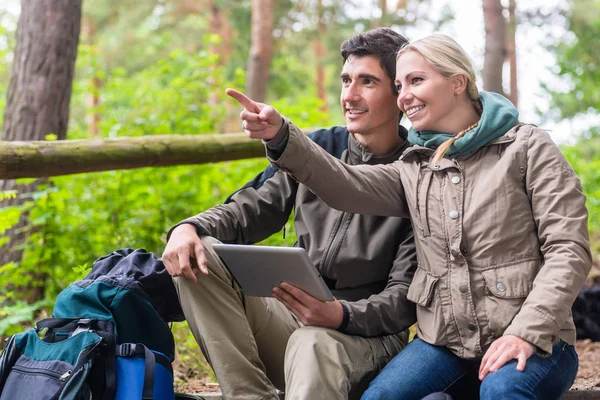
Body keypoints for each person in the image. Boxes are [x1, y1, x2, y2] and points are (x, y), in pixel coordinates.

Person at [230, 33, 591, 400]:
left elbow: (569, 250)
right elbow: (346, 184)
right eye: (400, 85)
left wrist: (525, 332)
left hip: (536, 337)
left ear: (457, 82)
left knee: (501, 393)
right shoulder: (415, 166)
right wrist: (281, 137)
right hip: (445, 345)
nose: (403, 96)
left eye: (416, 80)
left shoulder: (528, 147)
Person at [162, 27, 418, 400]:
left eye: (368, 82)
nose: (350, 95)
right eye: (346, 80)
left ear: (399, 93)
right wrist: (190, 227)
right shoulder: (319, 148)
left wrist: (341, 315)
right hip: (292, 316)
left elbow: (405, 297)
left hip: (365, 336)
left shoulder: (418, 174)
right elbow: (248, 211)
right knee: (201, 256)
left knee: (313, 342)